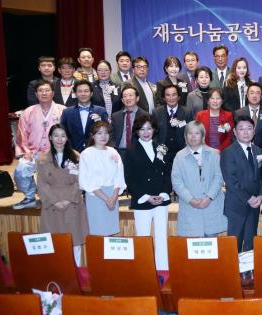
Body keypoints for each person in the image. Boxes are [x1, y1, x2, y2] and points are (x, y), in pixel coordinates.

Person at [123, 114, 171, 270]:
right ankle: (145, 270)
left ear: (154, 130)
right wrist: (146, 196)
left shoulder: (161, 147)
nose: (146, 132)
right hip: (142, 199)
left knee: (161, 237)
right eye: (142, 129)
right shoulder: (130, 151)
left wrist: (164, 193)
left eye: (149, 128)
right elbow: (129, 178)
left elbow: (167, 173)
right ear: (137, 131)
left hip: (161, 199)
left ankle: (163, 269)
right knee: (142, 237)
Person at [36, 124, 88, 266]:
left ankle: (76, 272)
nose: (59, 139)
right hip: (52, 205)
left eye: (63, 136)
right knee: (54, 242)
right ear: (50, 138)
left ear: (67, 138)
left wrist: (68, 199)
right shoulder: (42, 159)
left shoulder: (76, 157)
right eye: (56, 135)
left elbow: (80, 181)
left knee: (75, 242)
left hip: (72, 204)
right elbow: (41, 184)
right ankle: (58, 273)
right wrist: (55, 201)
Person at [13, 80, 66, 209]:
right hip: (34, 152)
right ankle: (29, 197)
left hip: (57, 152)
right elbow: (21, 134)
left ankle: (54, 196)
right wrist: (26, 152)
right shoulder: (28, 111)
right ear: (36, 94)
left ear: (53, 93)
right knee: (21, 170)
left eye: (47, 90)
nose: (44, 93)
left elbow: (68, 134)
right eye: (40, 91)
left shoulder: (63, 110)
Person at [172, 121, 227, 237]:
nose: (193, 136)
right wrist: (190, 199)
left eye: (197, 133)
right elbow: (176, 181)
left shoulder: (214, 154)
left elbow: (219, 177)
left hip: (211, 206)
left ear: (202, 135)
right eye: (190, 133)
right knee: (192, 246)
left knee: (212, 246)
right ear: (185, 136)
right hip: (190, 208)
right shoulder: (179, 156)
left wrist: (209, 197)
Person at [221, 115, 262, 252]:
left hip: (254, 206)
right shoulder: (228, 152)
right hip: (236, 207)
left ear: (254, 131)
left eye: (249, 128)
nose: (246, 132)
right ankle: (233, 267)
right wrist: (249, 198)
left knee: (251, 244)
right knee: (235, 245)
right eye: (241, 129)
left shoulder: (258, 150)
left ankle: (249, 267)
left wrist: (261, 196)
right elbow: (230, 181)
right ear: (235, 132)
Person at [79, 121, 126, 236]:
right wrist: (107, 199)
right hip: (96, 196)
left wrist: (114, 197)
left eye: (106, 133)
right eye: (99, 133)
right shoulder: (86, 154)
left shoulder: (113, 152)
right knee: (97, 233)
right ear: (93, 136)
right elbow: (87, 180)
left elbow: (119, 175)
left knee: (111, 232)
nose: (103, 136)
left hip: (113, 195)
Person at [60, 80, 109, 152]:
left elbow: (108, 132)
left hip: (96, 151)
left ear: (91, 93)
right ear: (75, 94)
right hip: (73, 152)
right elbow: (63, 133)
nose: (83, 94)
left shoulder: (101, 111)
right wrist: (71, 151)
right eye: (80, 91)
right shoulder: (67, 112)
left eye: (86, 91)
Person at [154, 84, 189, 168]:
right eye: (168, 95)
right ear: (164, 98)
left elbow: (190, 131)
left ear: (179, 97)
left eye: (174, 95)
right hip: (162, 153)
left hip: (182, 152)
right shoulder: (156, 112)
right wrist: (158, 147)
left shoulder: (187, 112)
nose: (171, 98)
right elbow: (154, 133)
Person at [109, 85, 148, 154]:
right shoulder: (115, 116)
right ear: (122, 100)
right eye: (125, 96)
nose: (128, 98)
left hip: (138, 152)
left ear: (137, 98)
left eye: (130, 95)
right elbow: (110, 135)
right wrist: (113, 150)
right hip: (118, 152)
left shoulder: (145, 116)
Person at [234, 82, 262, 150]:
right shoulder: (239, 113)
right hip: (243, 149)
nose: (254, 96)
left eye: (257, 93)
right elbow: (235, 134)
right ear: (247, 95)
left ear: (261, 96)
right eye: (252, 93)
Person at [195, 88, 234, 152]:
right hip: (204, 151)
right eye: (212, 98)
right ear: (208, 101)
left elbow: (229, 137)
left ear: (222, 101)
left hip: (222, 152)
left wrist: (219, 150)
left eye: (218, 98)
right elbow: (197, 134)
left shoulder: (228, 115)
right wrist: (207, 149)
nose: (215, 101)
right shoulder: (200, 115)